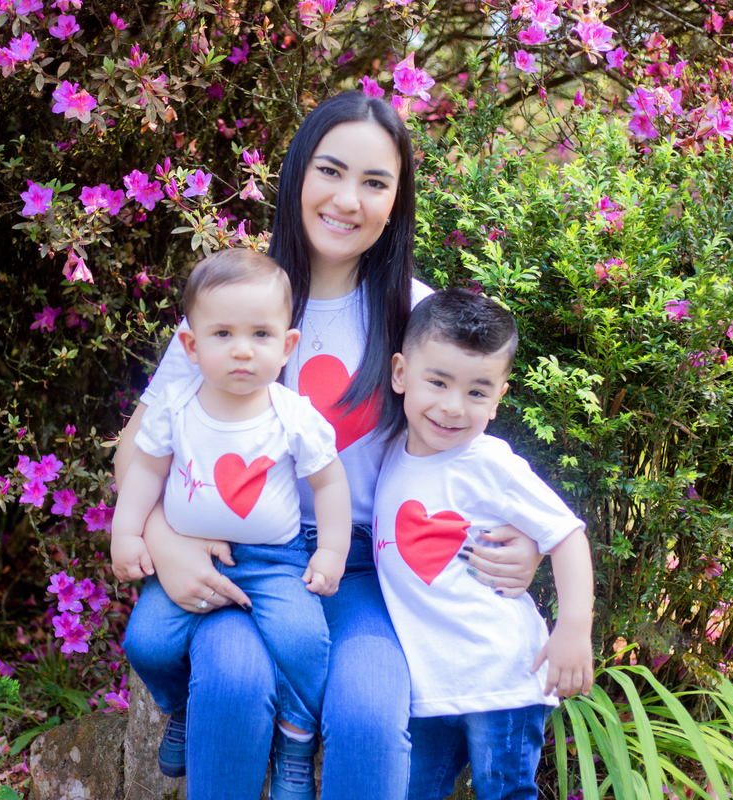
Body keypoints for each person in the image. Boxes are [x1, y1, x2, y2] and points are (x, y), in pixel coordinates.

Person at [114, 90, 545, 800]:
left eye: (375, 182)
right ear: (297, 177)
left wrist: (521, 540)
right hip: (238, 554)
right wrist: (162, 537)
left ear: (396, 200)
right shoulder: (238, 302)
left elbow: (463, 448)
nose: (348, 199)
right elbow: (139, 445)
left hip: (361, 567)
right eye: (331, 171)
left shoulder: (413, 312)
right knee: (230, 678)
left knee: (372, 715)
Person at [115, 248, 352, 784]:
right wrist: (128, 532)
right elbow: (145, 473)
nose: (242, 351)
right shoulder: (177, 407)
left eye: (261, 336)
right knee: (146, 642)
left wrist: (331, 549)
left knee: (305, 640)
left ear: (287, 345)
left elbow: (329, 481)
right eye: (223, 335)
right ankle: (180, 709)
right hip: (190, 553)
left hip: (275, 562)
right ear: (192, 347)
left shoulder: (292, 415)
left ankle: (296, 733)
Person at [374, 288, 594, 800]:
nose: (453, 407)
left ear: (498, 398)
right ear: (401, 373)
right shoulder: (390, 452)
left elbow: (566, 534)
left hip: (500, 676)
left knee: (505, 791)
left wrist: (573, 628)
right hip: (434, 686)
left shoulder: (489, 463)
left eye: (477, 392)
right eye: (438, 382)